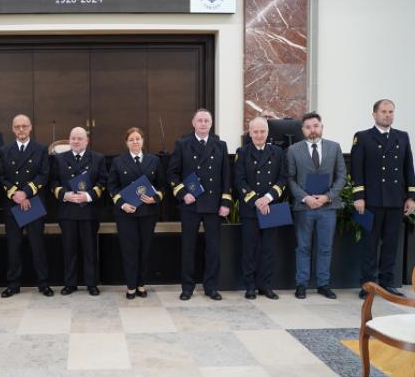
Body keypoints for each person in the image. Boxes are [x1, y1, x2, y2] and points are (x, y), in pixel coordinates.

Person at [351, 99, 415, 298]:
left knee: (391, 244)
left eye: (391, 112)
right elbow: (356, 169)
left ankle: (387, 283)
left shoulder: (402, 136)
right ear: (374, 114)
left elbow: (408, 168)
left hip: (395, 200)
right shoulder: (362, 137)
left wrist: (411, 197)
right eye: (384, 111)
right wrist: (358, 196)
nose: (388, 115)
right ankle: (368, 285)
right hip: (370, 201)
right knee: (369, 246)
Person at [167, 108, 232, 301]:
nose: (203, 124)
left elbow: (226, 176)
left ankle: (211, 287)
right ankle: (187, 287)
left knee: (213, 249)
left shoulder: (220, 145)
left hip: (213, 205)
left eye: (206, 121)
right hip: (191, 204)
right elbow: (172, 173)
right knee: (188, 248)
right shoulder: (182, 144)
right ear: (193, 123)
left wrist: (225, 202)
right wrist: (183, 193)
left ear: (211, 124)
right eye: (200, 120)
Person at [287, 112, 346, 299]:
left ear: (321, 127)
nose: (312, 130)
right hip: (304, 207)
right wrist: (306, 198)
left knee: (325, 248)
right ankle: (301, 284)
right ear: (302, 130)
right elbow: (290, 179)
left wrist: (327, 197)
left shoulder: (334, 147)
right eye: (308, 127)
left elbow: (341, 177)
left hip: (327, 207)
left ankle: (323, 284)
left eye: (315, 126)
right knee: (303, 247)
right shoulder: (293, 150)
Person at [0, 114, 53, 298]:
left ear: (30, 127)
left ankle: (43, 284)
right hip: (13, 203)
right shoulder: (5, 150)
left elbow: (44, 175)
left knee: (38, 246)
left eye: (24, 126)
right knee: (13, 247)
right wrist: (16, 194)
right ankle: (13, 284)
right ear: (12, 129)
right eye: (17, 126)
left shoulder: (41, 149)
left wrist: (26, 193)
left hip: (33, 203)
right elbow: (1, 176)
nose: (21, 129)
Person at [108, 127, 165, 299]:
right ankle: (131, 286)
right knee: (129, 251)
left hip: (148, 213)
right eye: (131, 139)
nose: (135, 142)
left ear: (143, 141)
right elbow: (112, 187)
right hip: (126, 214)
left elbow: (162, 185)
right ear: (126, 143)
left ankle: (141, 285)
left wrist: (155, 198)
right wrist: (122, 205)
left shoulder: (154, 160)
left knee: (145, 250)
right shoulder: (118, 161)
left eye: (138, 139)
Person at [234, 117, 288, 300]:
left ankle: (265, 285)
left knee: (268, 249)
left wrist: (268, 198)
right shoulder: (242, 152)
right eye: (255, 132)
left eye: (262, 131)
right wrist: (256, 200)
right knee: (250, 250)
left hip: (271, 207)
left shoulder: (278, 152)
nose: (259, 135)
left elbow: (283, 178)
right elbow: (239, 180)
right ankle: (250, 286)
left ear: (268, 132)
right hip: (251, 208)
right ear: (250, 133)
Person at [50, 127, 107, 296]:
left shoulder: (97, 158)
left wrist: (88, 196)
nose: (75, 141)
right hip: (68, 211)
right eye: (73, 138)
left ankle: (91, 284)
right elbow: (53, 183)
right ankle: (70, 283)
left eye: (79, 138)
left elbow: (103, 182)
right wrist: (64, 195)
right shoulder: (59, 159)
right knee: (69, 250)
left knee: (90, 250)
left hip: (89, 212)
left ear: (87, 141)